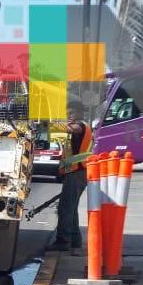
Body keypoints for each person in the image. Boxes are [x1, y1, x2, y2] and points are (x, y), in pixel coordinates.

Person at [50, 102, 93, 253]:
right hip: (75, 172)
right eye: (67, 113)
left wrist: (52, 122)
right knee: (71, 208)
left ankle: (63, 240)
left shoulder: (81, 126)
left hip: (78, 173)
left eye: (72, 113)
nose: (69, 116)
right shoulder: (78, 126)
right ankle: (75, 240)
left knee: (65, 208)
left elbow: (71, 129)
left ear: (80, 112)